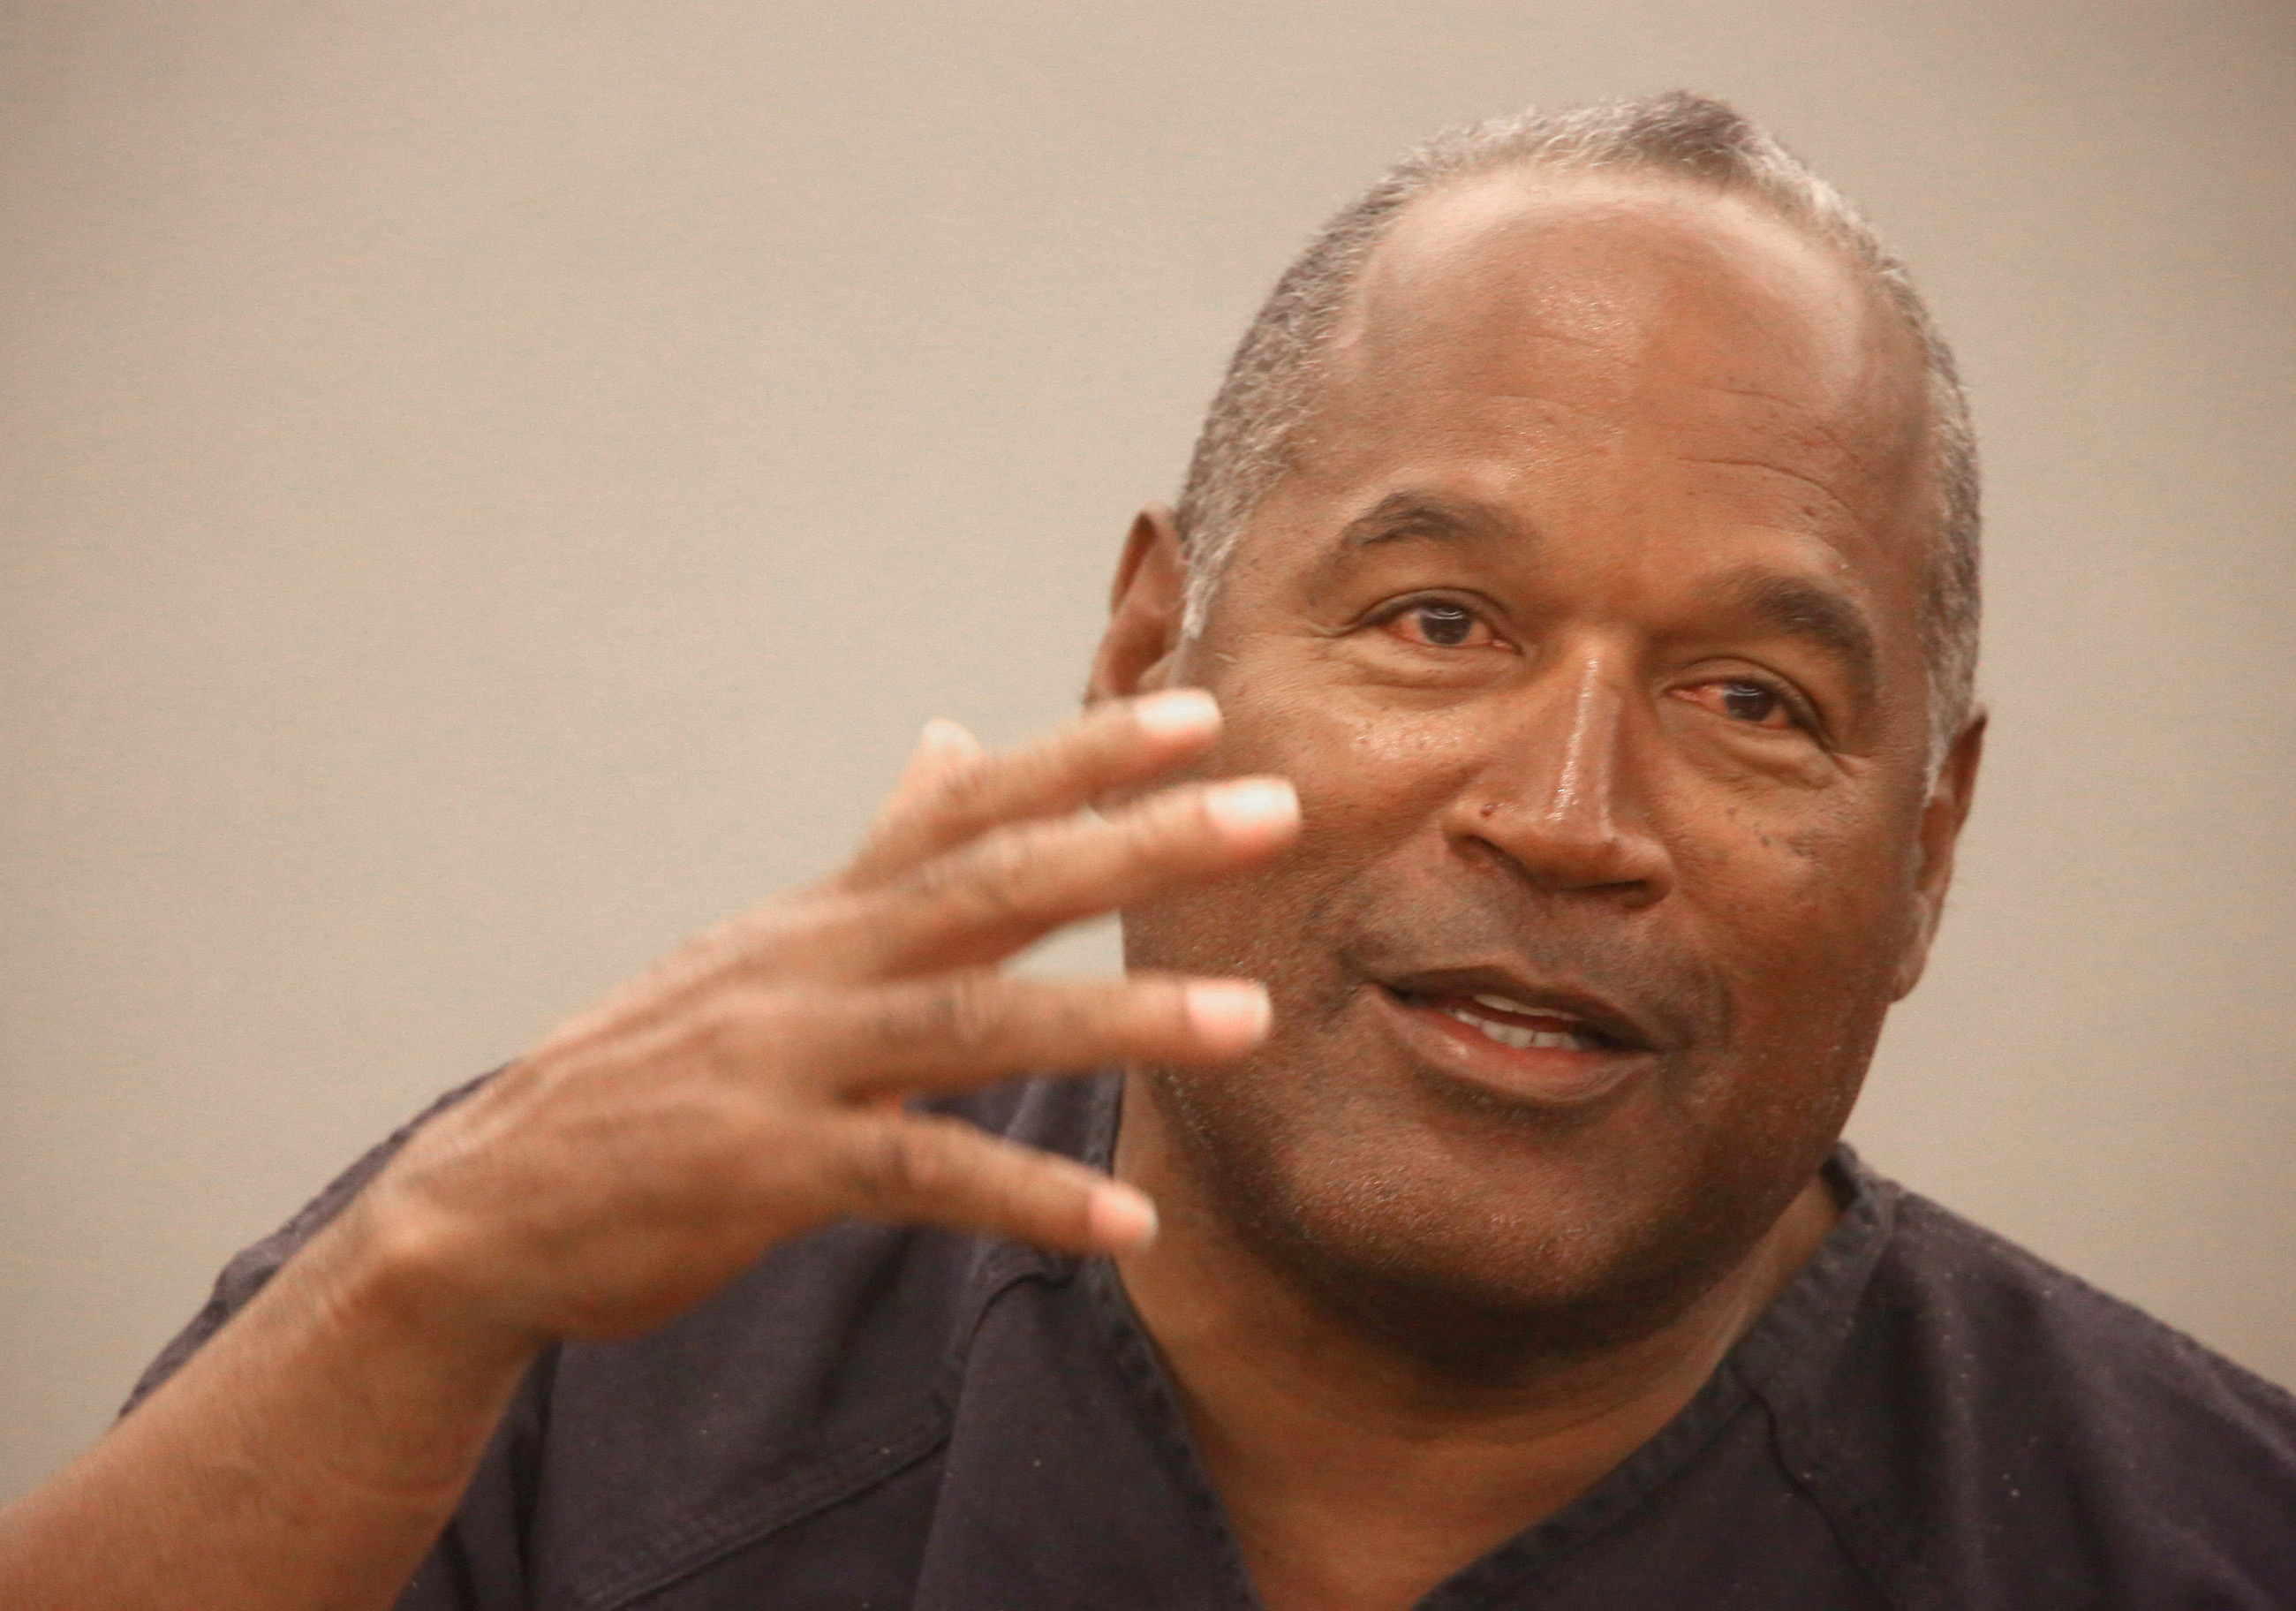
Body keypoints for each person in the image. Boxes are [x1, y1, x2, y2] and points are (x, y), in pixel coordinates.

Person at [3, 91, 2291, 1611]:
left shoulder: (2193, 1539)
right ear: (1140, 660)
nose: (1568, 817)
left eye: (1753, 702)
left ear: (1929, 849)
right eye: (1439, 623)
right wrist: (418, 1281)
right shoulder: (573, 1343)